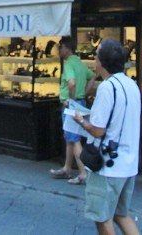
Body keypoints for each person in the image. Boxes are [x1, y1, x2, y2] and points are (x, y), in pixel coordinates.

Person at [71, 39, 142, 235]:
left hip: (108, 163)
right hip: (129, 162)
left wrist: (80, 121)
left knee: (101, 218)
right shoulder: (131, 85)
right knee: (121, 214)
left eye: (96, 55)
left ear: (101, 62)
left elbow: (97, 130)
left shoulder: (107, 88)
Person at [51, 37, 95, 185]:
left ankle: (83, 173)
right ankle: (67, 168)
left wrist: (72, 99)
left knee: (74, 140)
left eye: (60, 47)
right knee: (70, 137)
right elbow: (92, 76)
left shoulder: (69, 63)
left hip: (72, 105)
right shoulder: (79, 63)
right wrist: (85, 93)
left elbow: (71, 83)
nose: (58, 50)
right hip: (80, 102)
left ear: (66, 48)